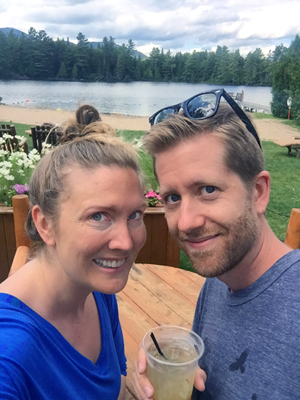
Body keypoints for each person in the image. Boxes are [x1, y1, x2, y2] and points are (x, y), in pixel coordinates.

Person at [133, 89, 300, 399]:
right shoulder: (218, 282)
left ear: (258, 192)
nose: (185, 222)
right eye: (173, 197)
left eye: (207, 189)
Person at [0, 105, 147, 399]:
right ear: (45, 224)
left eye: (134, 215)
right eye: (98, 216)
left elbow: (115, 386)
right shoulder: (9, 358)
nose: (126, 243)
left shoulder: (97, 289)